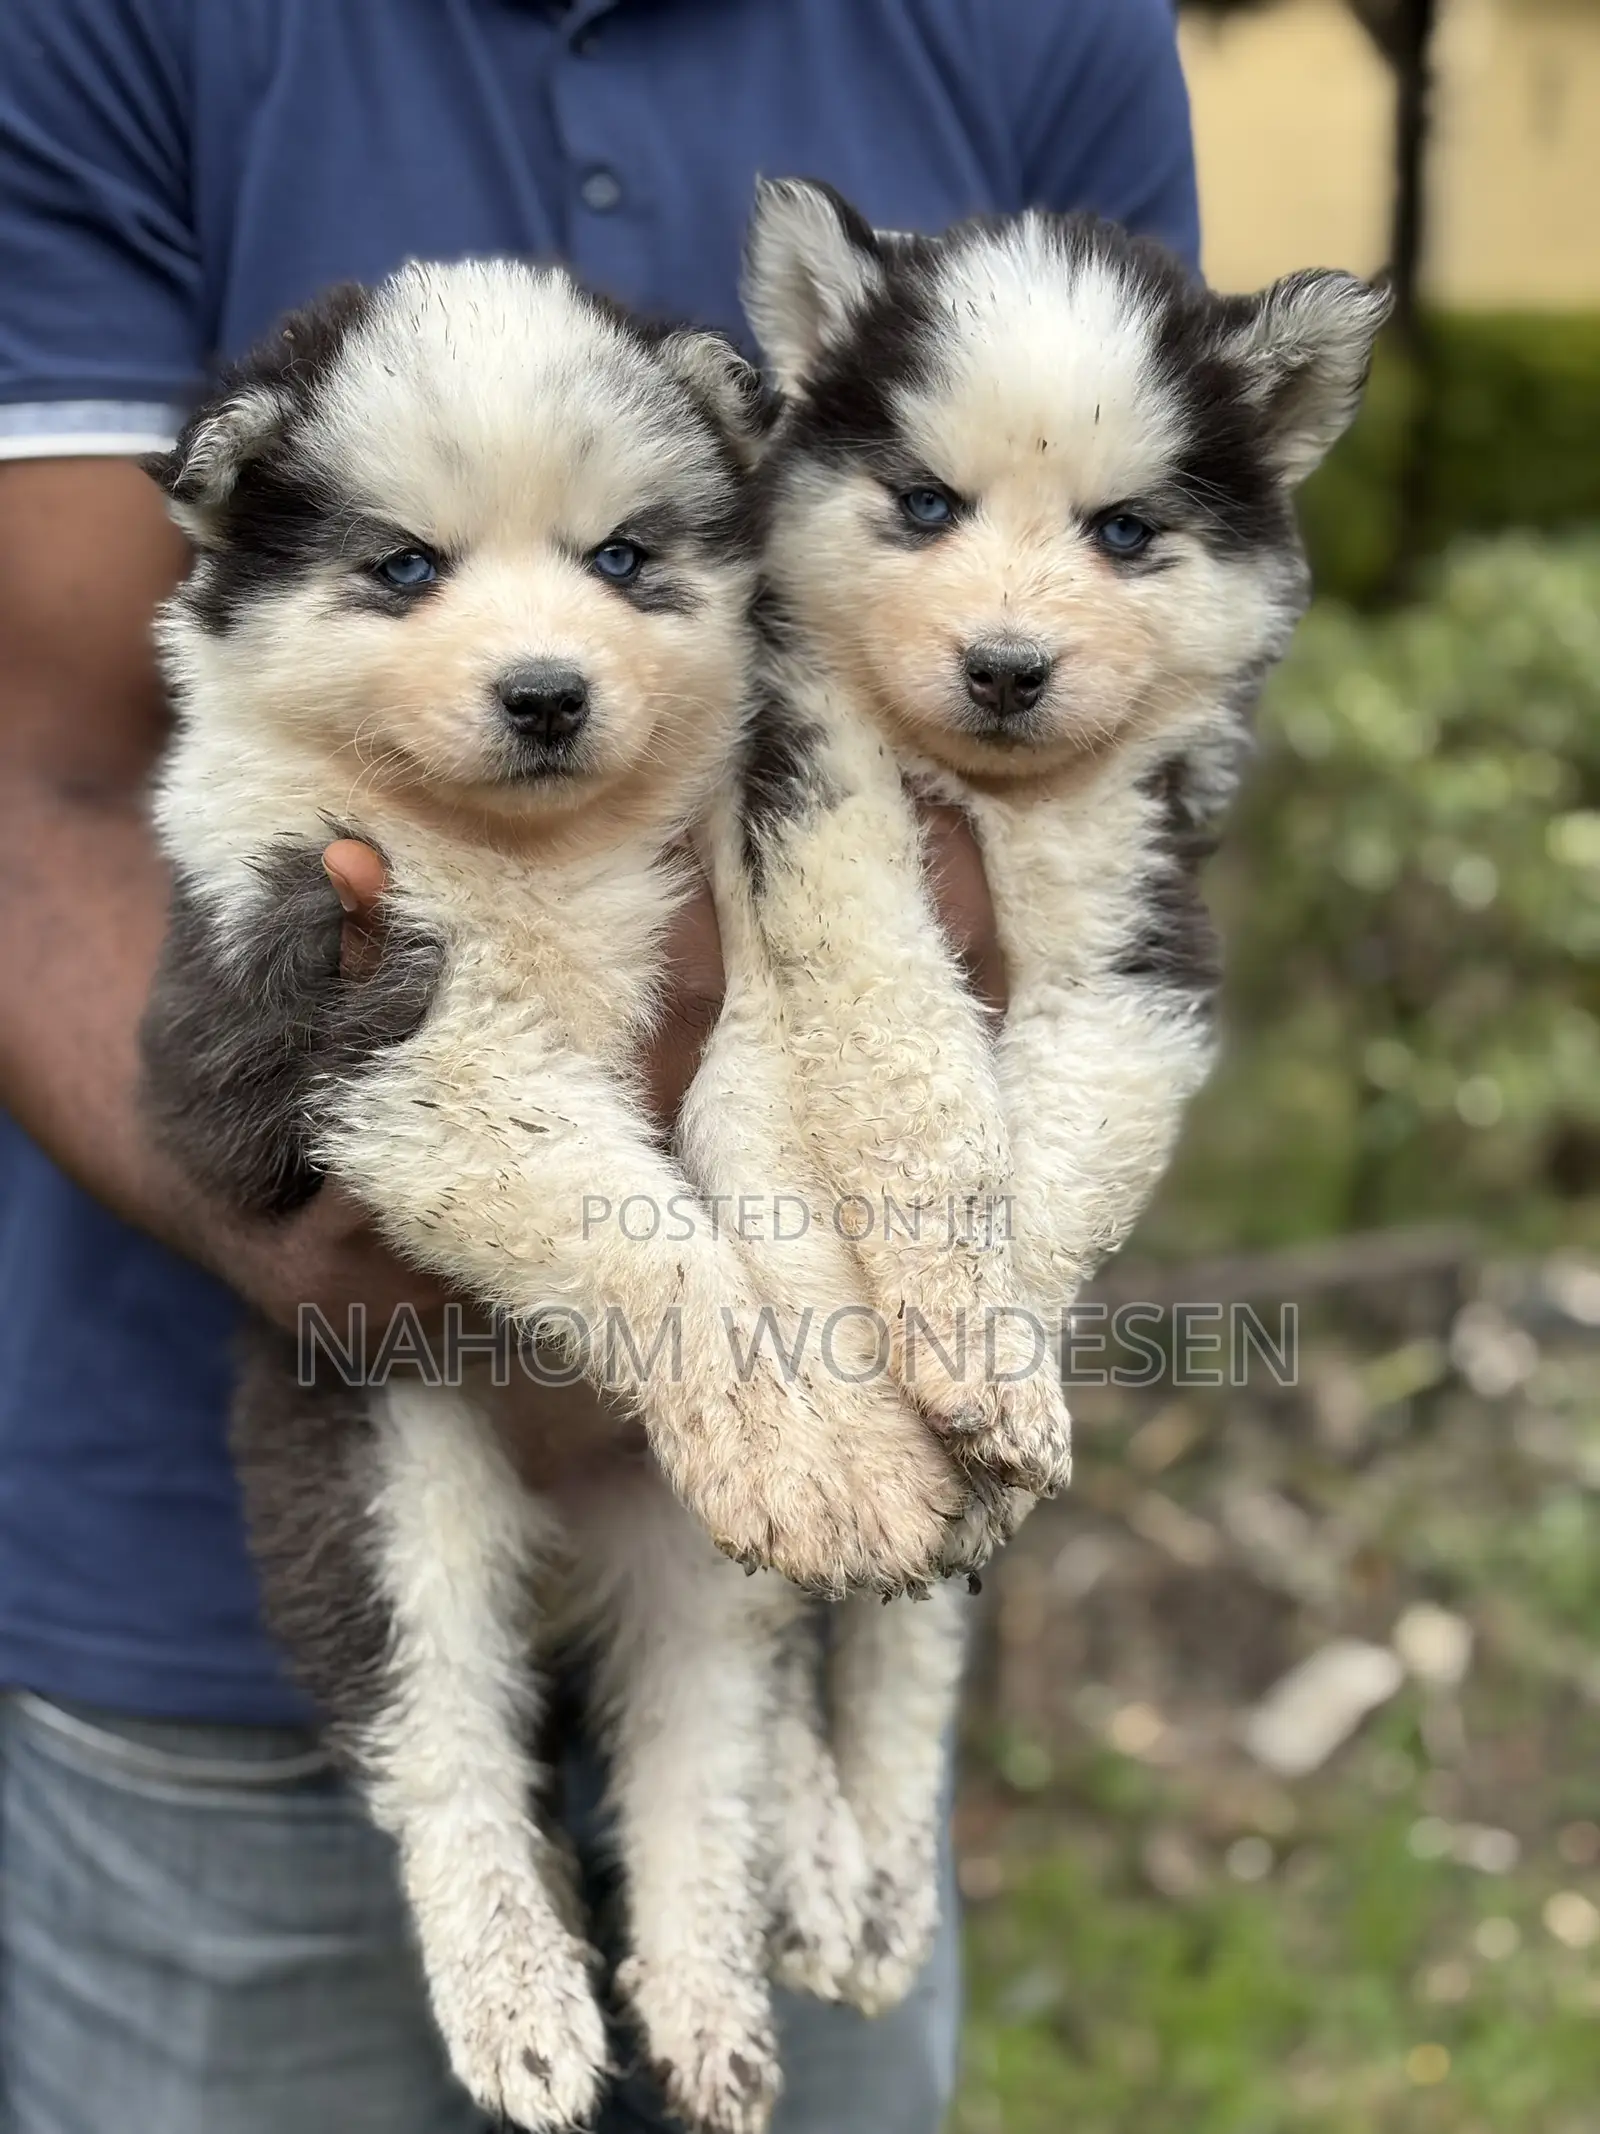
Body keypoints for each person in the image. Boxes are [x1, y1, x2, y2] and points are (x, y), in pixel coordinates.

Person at [0, 4, 1199, 2129]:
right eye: (413, 566)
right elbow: (38, 766)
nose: (543, 650)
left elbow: (1100, 722)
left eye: (627, 557)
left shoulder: (1044, 26)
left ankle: (727, 1907)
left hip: (803, 1526)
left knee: (738, 1843)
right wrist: (443, 1232)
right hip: (209, 1551)